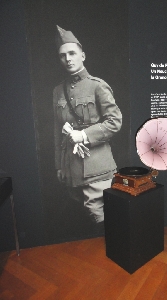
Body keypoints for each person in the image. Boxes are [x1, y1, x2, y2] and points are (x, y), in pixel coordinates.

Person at [53, 25, 122, 230]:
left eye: (72, 53)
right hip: (70, 167)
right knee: (81, 217)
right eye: (62, 55)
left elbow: (115, 122)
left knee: (100, 218)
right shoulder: (57, 91)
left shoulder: (97, 86)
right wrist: (59, 165)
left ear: (83, 55)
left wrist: (83, 134)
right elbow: (57, 131)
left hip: (97, 166)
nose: (68, 59)